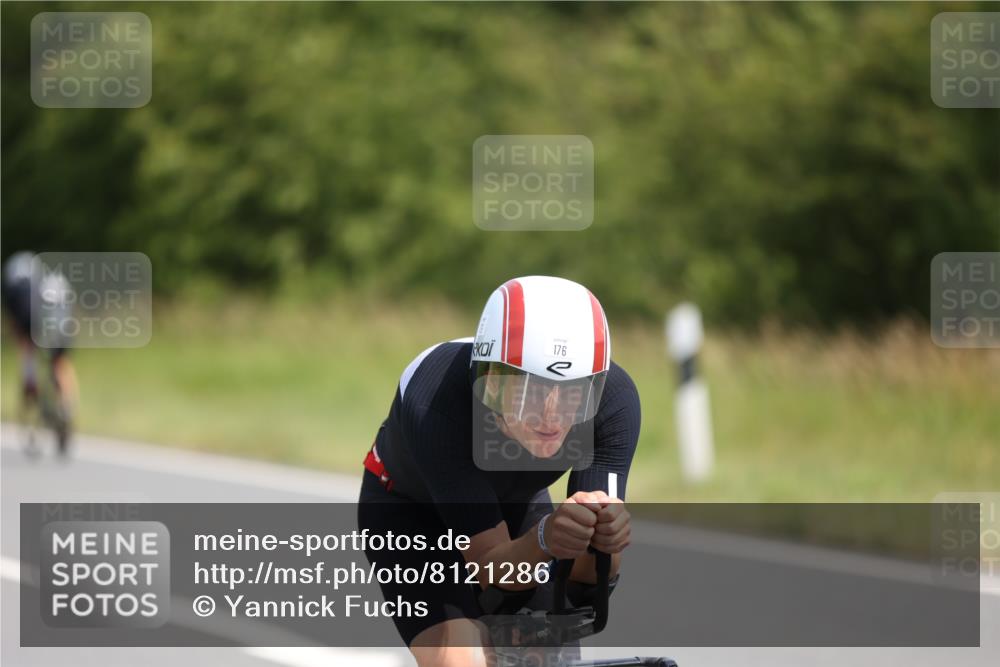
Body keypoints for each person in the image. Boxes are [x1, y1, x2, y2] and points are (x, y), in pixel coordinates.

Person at [358, 276, 640, 667]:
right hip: (411, 512)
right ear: (488, 379)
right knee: (462, 657)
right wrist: (545, 538)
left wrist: (606, 540)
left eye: (575, 392)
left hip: (515, 502)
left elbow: (589, 583)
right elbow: (493, 569)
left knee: (542, 654)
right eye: (531, 390)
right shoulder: (437, 399)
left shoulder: (614, 403)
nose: (551, 415)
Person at [1, 251, 78, 455]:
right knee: (60, 362)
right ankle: (67, 405)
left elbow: (18, 329)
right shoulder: (47, 278)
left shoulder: (13, 288)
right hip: (61, 317)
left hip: (33, 320)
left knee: (28, 351)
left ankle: (32, 385)